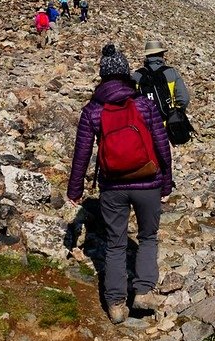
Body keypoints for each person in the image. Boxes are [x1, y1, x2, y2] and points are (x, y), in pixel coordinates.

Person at [67, 44, 172, 324]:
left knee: (115, 245)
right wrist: (167, 183)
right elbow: (162, 146)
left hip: (112, 186)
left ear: (102, 77)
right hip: (148, 181)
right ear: (126, 73)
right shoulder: (143, 104)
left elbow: (82, 153)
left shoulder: (92, 110)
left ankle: (115, 304)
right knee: (148, 237)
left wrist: (75, 190)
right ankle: (143, 291)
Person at [132, 39, 190, 118]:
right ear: (162, 54)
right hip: (169, 122)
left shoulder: (137, 75)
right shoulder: (171, 72)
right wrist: (176, 114)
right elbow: (184, 99)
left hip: (148, 123)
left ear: (146, 56)